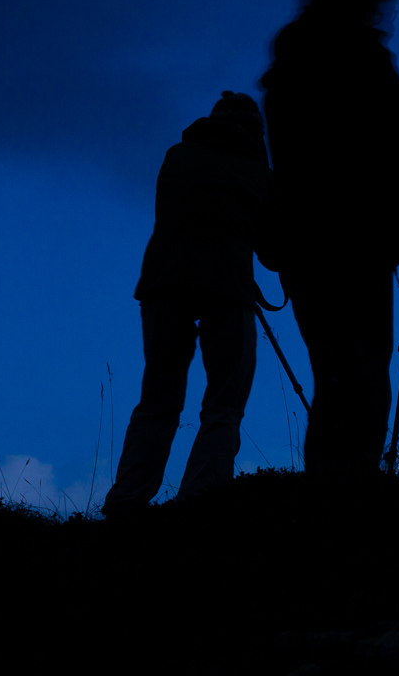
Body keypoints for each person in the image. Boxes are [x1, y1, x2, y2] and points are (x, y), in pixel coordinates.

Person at [261, 0, 399, 478]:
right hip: (356, 241)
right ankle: (350, 498)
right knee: (364, 375)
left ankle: (327, 497)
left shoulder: (293, 60)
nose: (384, 17)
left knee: (335, 376)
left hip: (307, 244)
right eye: (376, 6)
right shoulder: (354, 58)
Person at [103, 92, 275, 515]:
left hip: (164, 284)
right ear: (256, 130)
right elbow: (273, 251)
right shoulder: (258, 172)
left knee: (158, 398)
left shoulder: (177, 157)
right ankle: (200, 500)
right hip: (227, 289)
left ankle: (127, 500)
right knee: (224, 404)